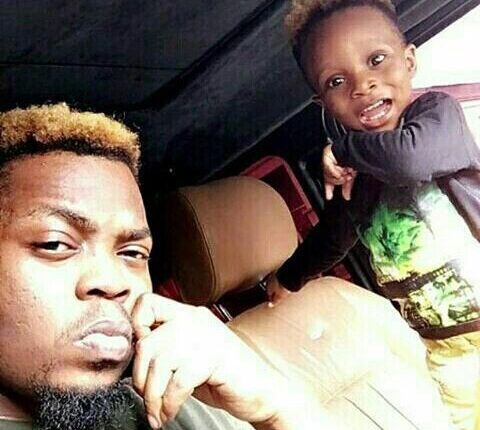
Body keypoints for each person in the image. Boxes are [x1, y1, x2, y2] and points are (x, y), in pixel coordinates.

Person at [0, 103, 336, 430]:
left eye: (133, 253)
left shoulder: (179, 396)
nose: (115, 282)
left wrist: (275, 409)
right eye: (55, 244)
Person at [266, 1, 480, 429]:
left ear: (409, 61)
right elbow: (333, 237)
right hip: (447, 352)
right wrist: (287, 279)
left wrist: (342, 149)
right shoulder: (357, 180)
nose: (362, 84)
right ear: (322, 103)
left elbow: (409, 160)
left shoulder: (437, 116)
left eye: (376, 60)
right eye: (336, 81)